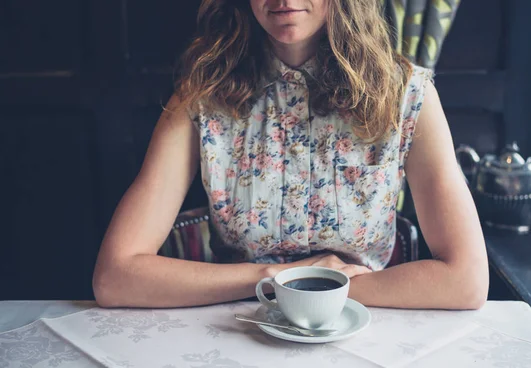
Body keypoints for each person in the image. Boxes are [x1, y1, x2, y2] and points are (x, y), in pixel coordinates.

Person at [92, 0, 488, 310]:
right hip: (236, 328)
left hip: (366, 331)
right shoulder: (201, 98)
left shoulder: (407, 95)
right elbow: (114, 275)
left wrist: (337, 290)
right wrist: (277, 276)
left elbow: (467, 279)